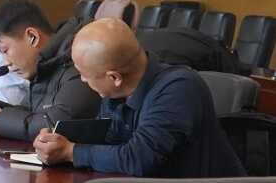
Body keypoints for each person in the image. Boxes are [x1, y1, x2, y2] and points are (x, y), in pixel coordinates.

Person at [33, 19, 245, 178]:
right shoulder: (116, 92)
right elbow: (109, 141)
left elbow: (139, 159)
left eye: (84, 74)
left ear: (114, 77)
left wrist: (70, 152)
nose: (82, 80)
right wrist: (58, 143)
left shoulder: (179, 88)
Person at [0, 0, 99, 140]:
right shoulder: (45, 65)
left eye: (5, 50)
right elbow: (31, 114)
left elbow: (56, 126)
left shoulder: (78, 60)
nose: (6, 63)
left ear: (32, 37)